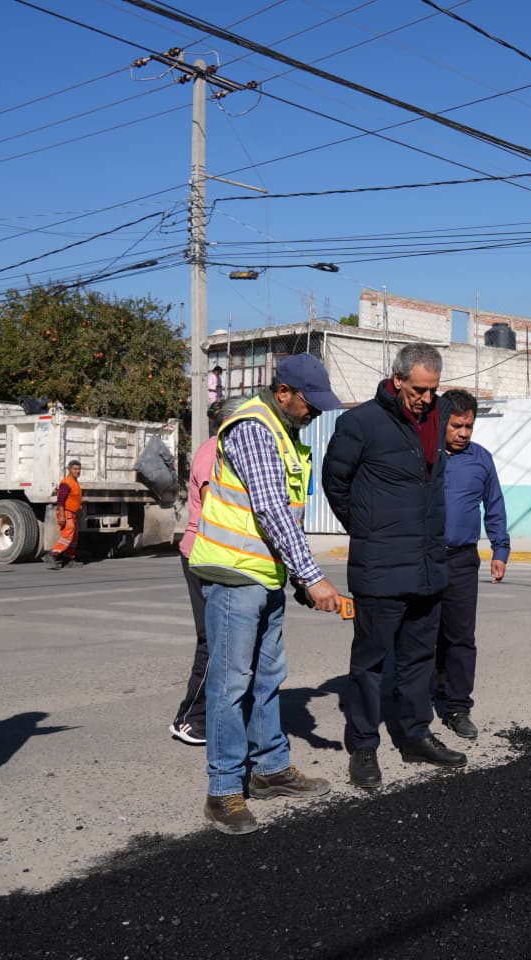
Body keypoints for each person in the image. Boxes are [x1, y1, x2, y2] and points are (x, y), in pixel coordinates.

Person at [187, 355, 343, 835]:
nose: (315, 412)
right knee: (231, 685)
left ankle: (271, 769)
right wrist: (312, 578)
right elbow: (272, 509)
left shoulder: (286, 431)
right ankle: (223, 791)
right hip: (234, 573)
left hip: (265, 573)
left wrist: (294, 578)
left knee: (268, 677)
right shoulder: (254, 428)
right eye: (310, 402)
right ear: (283, 392)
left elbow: (286, 516)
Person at [323, 342, 465, 791]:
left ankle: (416, 735)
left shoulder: (438, 417)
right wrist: (368, 528)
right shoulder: (360, 423)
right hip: (380, 566)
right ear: (397, 379)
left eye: (433, 389)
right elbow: (334, 482)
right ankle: (363, 745)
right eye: (419, 389)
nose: (426, 398)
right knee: (370, 662)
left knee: (419, 658)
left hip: (427, 566)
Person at [170, 396, 245, 746]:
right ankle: (190, 718)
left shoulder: (231, 451)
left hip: (222, 556)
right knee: (212, 639)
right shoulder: (213, 451)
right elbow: (216, 508)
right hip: (204, 555)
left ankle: (217, 713)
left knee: (226, 639)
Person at [435, 389, 510, 740]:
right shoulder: (423, 454)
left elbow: (494, 505)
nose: (464, 433)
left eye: (469, 426)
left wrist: (500, 550)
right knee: (420, 633)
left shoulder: (481, 459)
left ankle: (457, 707)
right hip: (422, 558)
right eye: (457, 426)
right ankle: (418, 697)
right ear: (441, 422)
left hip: (462, 560)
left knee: (461, 636)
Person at [45, 460, 83, 569]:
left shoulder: (75, 482)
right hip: (66, 512)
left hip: (73, 513)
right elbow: (60, 500)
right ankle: (52, 554)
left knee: (74, 537)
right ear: (69, 470)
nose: (77, 471)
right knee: (68, 534)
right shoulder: (66, 482)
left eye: (79, 469)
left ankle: (68, 559)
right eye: (75, 469)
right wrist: (61, 515)